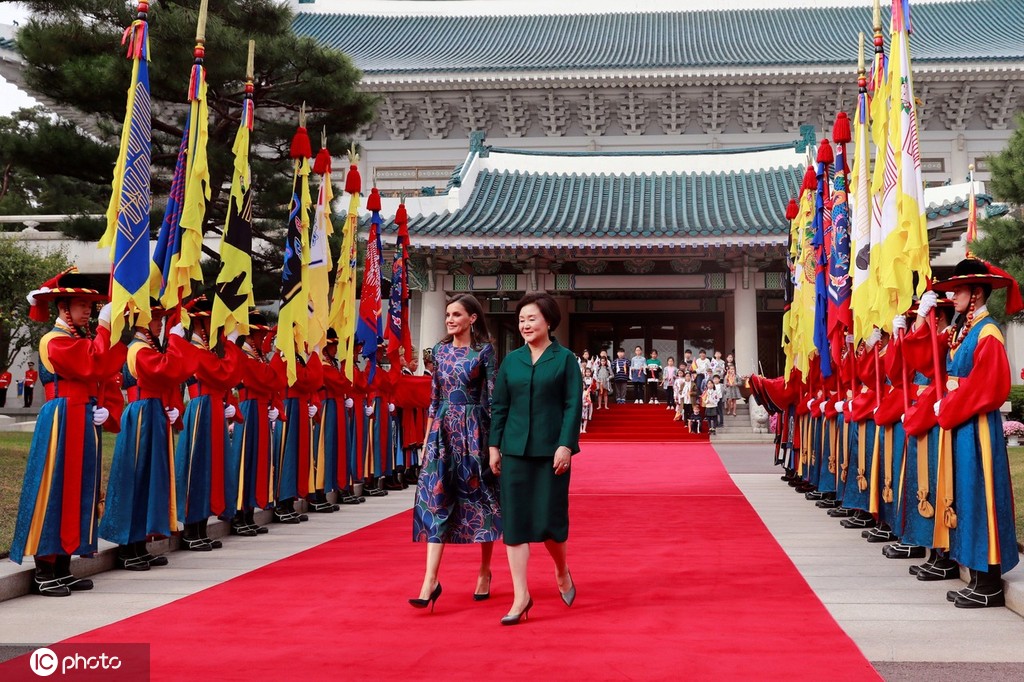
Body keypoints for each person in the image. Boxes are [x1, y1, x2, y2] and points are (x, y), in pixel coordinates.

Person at [10, 269, 125, 595]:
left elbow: (104, 372)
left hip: (83, 419)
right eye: (81, 305)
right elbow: (94, 363)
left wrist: (107, 407)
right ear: (63, 308)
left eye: (90, 306)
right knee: (56, 489)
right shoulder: (54, 340)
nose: (88, 310)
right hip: (61, 419)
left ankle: (63, 564)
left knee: (80, 491)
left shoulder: (79, 339)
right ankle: (45, 569)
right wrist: (106, 327)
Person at [489, 292, 583, 625]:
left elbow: (573, 405)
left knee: (549, 523)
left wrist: (565, 445)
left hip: (551, 453)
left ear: (549, 321)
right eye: (521, 320)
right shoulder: (511, 361)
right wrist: (494, 446)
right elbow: (499, 406)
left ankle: (561, 570)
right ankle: (521, 596)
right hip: (514, 451)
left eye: (532, 319)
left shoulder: (565, 359)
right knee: (514, 525)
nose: (525, 325)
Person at [932, 258, 1021, 608]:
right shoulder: (966, 329)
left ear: (977, 294)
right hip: (963, 421)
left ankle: (990, 582)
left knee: (982, 495)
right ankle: (977, 576)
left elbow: (990, 385)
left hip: (977, 424)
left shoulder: (988, 332)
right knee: (967, 495)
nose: (952, 296)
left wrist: (950, 405)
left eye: (959, 290)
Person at [411, 294, 501, 611]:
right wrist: (427, 440)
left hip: (475, 432)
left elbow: (493, 400)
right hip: (442, 433)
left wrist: (494, 445)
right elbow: (435, 398)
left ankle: (485, 570)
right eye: (447, 314)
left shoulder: (484, 351)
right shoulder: (439, 351)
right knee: (436, 498)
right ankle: (429, 580)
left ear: (472, 318)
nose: (449, 319)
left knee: (481, 498)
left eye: (456, 314)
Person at [100, 302, 198, 570]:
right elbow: (167, 370)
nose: (160, 324)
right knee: (137, 478)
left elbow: (171, 375)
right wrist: (176, 340)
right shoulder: (138, 349)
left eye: (160, 319)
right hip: (142, 416)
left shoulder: (148, 348)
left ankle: (139, 543)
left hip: (152, 413)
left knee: (149, 480)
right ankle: (127, 546)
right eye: (154, 319)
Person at [174, 296, 245, 550]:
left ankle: (201, 528)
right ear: (200, 323)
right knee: (197, 469)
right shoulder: (194, 348)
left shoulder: (205, 349)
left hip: (212, 408)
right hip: (201, 409)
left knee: (211, 470)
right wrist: (232, 344)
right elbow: (223, 372)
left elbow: (226, 378)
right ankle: (191, 530)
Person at [580, 368, 594, 434]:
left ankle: (584, 429)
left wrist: (586, 404)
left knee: (585, 418)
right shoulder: (578, 392)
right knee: (580, 418)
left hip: (585, 406)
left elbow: (589, 401)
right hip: (580, 406)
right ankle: (580, 429)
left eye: (583, 385)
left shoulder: (587, 392)